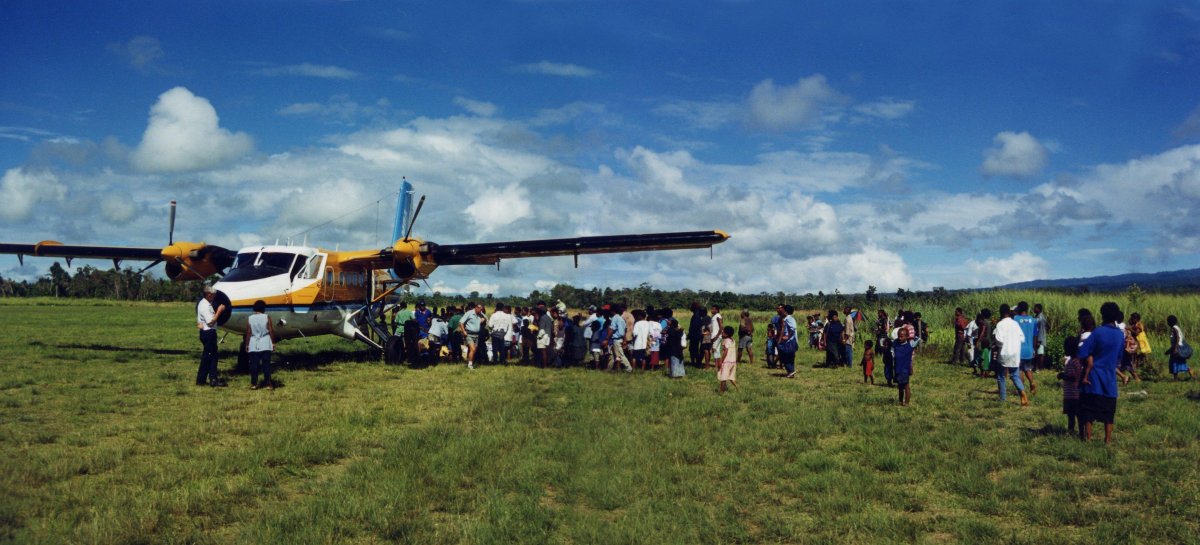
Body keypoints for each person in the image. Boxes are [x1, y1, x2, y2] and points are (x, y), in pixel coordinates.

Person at [1079, 302, 1125, 443]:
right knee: (1109, 412)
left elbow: (1082, 352)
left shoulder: (1098, 332)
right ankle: (1108, 441)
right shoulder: (1119, 335)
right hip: (1110, 379)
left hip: (1093, 378)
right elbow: (1119, 358)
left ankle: (1088, 438)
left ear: (1102, 315)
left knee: (1088, 411)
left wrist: (1091, 358)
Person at [993, 304, 1029, 406]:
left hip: (1004, 353)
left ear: (1000, 312)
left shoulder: (1000, 324)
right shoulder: (1015, 324)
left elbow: (999, 340)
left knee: (1001, 376)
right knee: (1015, 375)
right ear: (1009, 312)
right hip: (1015, 353)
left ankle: (1003, 399)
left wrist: (1000, 345)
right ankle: (1022, 392)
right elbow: (1022, 338)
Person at [195, 285, 226, 387]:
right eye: (213, 294)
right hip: (209, 333)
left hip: (205, 332)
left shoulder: (204, 303)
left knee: (211, 356)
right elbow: (211, 322)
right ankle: (204, 379)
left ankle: (210, 378)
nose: (214, 296)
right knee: (208, 357)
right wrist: (219, 311)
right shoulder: (205, 306)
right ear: (208, 294)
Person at [243, 299, 276, 390]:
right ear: (263, 308)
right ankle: (268, 383)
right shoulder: (266, 317)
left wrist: (247, 344)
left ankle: (254, 384)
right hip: (265, 342)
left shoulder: (250, 318)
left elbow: (248, 332)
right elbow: (270, 330)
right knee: (266, 364)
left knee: (254, 365)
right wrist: (273, 342)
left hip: (254, 343)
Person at [1058, 335, 1083, 434]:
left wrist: (1062, 376)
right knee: (1077, 415)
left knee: (1072, 415)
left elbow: (1073, 377)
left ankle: (1072, 431)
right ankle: (1081, 432)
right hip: (1075, 394)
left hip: (1072, 394)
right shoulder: (1077, 361)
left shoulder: (1073, 362)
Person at [1014, 302, 1038, 395]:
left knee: (1019, 370)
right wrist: (1034, 349)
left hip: (1018, 349)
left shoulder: (1016, 319)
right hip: (1029, 349)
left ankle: (1021, 390)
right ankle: (1032, 382)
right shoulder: (1033, 320)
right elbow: (1035, 336)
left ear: (1019, 309)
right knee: (1028, 368)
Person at [1166, 315, 1194, 380]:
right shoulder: (1176, 327)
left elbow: (1177, 338)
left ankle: (1175, 379)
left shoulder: (1174, 328)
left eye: (1168, 321)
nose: (1167, 323)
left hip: (1177, 347)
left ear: (1170, 322)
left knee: (1174, 362)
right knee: (1180, 361)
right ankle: (1189, 372)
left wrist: (1175, 348)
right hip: (1177, 347)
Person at [893, 331, 916, 406]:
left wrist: (910, 337)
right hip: (897, 368)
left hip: (905, 369)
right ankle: (900, 401)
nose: (900, 338)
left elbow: (917, 339)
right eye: (899, 336)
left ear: (906, 337)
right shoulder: (896, 344)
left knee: (906, 386)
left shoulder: (909, 345)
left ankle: (906, 403)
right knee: (900, 386)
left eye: (902, 336)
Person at [459, 302, 485, 369]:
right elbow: (461, 322)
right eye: (480, 309)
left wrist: (483, 318)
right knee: (473, 349)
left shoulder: (480, 314)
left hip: (476, 335)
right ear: (476, 307)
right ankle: (470, 365)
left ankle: (470, 362)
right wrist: (463, 331)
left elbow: (486, 318)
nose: (481, 311)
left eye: (482, 309)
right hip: (469, 334)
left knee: (473, 350)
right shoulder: (469, 313)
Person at [777, 305, 800, 378]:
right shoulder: (788, 318)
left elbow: (793, 329)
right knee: (790, 356)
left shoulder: (788, 319)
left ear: (785, 311)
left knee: (784, 354)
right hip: (790, 340)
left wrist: (787, 336)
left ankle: (790, 370)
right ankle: (791, 372)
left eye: (783, 310)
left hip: (790, 341)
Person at [717, 325, 738, 393]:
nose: (721, 333)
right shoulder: (733, 341)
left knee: (723, 378)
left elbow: (725, 352)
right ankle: (738, 389)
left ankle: (721, 392)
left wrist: (721, 360)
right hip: (733, 362)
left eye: (723, 332)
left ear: (726, 334)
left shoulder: (725, 341)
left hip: (726, 362)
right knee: (731, 377)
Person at [687, 303, 706, 367]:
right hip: (696, 334)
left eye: (691, 307)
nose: (690, 308)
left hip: (694, 335)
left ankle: (696, 363)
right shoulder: (697, 315)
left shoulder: (696, 315)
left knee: (693, 349)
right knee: (694, 349)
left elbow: (694, 327)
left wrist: (690, 335)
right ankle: (696, 362)